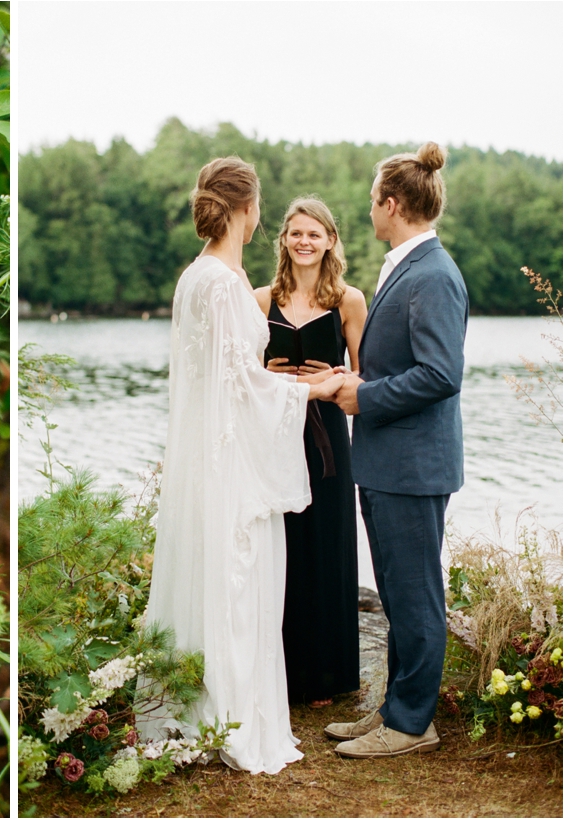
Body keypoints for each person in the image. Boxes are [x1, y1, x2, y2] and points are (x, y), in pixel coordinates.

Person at [138, 157, 344, 775]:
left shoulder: (196, 275)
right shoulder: (224, 283)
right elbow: (239, 385)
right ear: (246, 210)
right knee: (236, 579)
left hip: (207, 455)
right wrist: (316, 389)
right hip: (230, 464)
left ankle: (195, 705)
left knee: (211, 575)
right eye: (259, 209)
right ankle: (227, 718)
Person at [323, 142, 468, 758]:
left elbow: (442, 374)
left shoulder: (434, 274)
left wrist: (365, 396)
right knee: (394, 590)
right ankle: (394, 709)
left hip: (412, 466)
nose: (369, 213)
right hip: (387, 462)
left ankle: (411, 725)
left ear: (392, 204)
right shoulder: (403, 265)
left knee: (414, 595)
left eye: (372, 203)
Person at [253, 199, 367, 708]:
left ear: (330, 241)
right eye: (296, 233)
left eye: (314, 234)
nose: (304, 242)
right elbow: (242, 379)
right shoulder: (260, 300)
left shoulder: (349, 301)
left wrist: (329, 380)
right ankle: (278, 670)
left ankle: (326, 675)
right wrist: (275, 379)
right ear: (283, 240)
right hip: (272, 437)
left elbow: (365, 381)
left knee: (325, 547)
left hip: (325, 441)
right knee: (282, 547)